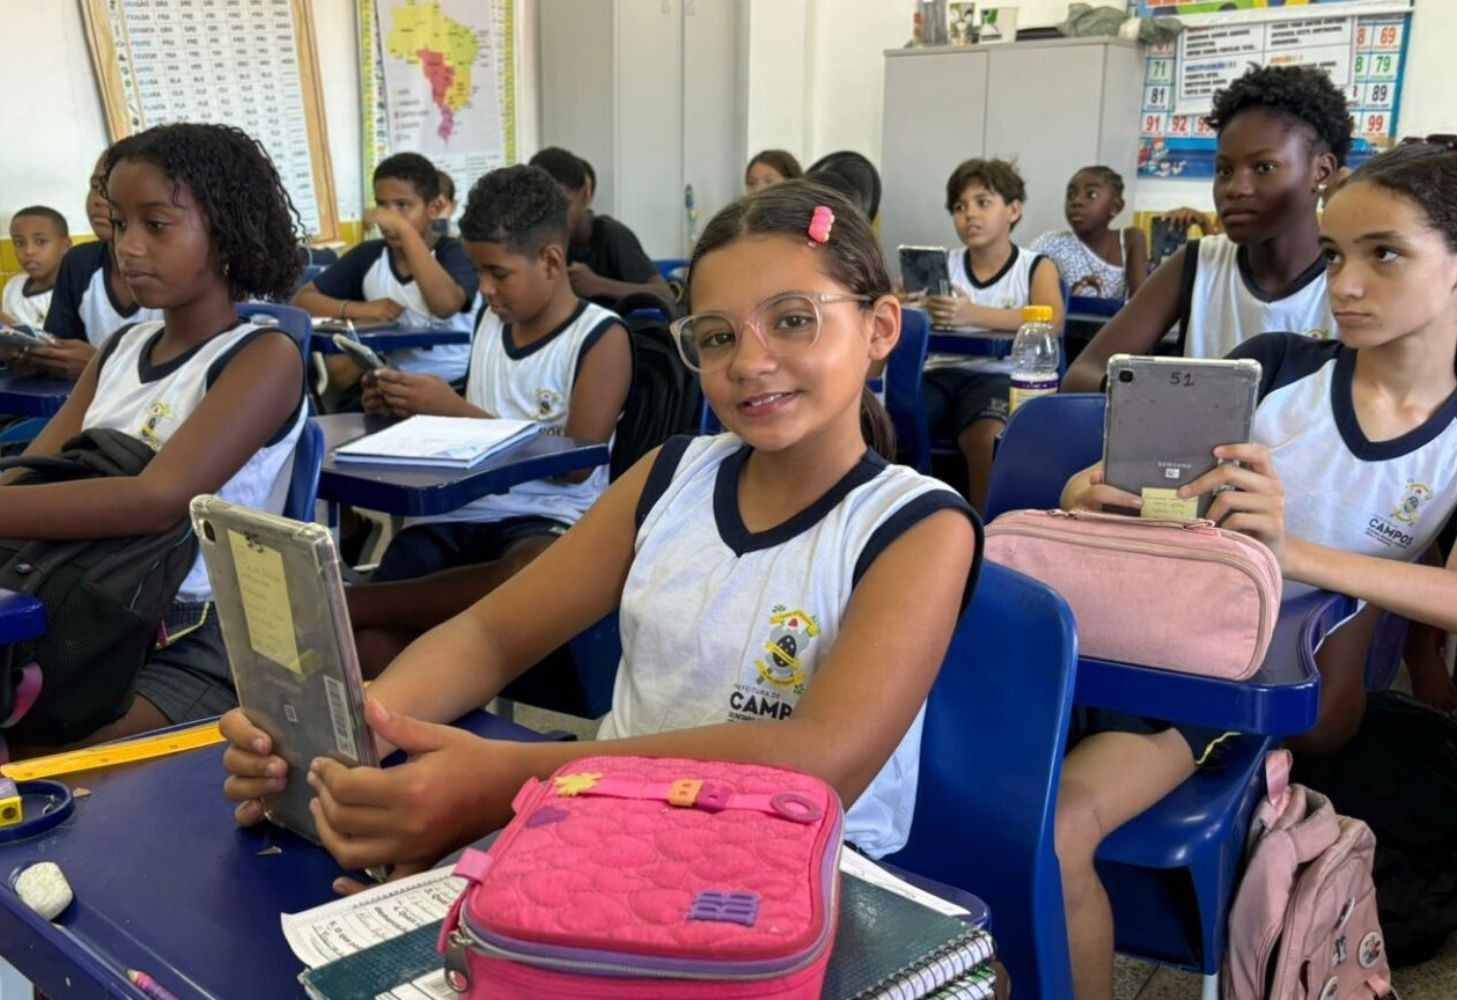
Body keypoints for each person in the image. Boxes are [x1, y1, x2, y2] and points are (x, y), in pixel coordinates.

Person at [219, 181, 981, 889]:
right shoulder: (670, 477)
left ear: (879, 327)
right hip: (604, 829)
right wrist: (354, 737)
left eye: (792, 320)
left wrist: (512, 782)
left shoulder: (917, 527)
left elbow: (820, 763)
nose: (750, 362)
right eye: (717, 336)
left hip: (799, 875)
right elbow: (492, 634)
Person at [1053, 135, 1457, 999]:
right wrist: (1092, 494)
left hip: (1233, 685)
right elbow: (1149, 489)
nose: (1345, 284)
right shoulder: (1278, 366)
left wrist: (1292, 553)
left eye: (1384, 254)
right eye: (1335, 254)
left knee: (1060, 822)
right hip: (1134, 630)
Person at [5, 122, 307, 751]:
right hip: (85, 605)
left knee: (47, 766)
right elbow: (35, 471)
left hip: (200, 634)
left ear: (226, 234)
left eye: (157, 225)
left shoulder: (262, 357)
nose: (128, 247)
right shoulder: (121, 346)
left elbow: (156, 500)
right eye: (119, 224)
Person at [348, 165, 633, 675]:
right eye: (478, 272)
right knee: (370, 649)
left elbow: (576, 464)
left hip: (544, 519)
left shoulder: (600, 337)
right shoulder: (488, 322)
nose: (484, 289)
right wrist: (401, 404)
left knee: (527, 573)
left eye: (498, 274)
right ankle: (367, 618)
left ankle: (355, 602)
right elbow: (473, 418)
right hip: (460, 510)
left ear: (551, 261)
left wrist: (454, 410)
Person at [1063, 64, 1351, 393]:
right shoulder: (1199, 263)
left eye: (1263, 167)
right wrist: (1174, 399)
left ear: (1321, 171)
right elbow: (1082, 374)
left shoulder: (1351, 277)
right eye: (1224, 170)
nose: (1235, 189)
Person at [918, 157, 1064, 507]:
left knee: (986, 437)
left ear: (1013, 210)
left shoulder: (1035, 266)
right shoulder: (943, 264)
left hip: (997, 377)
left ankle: (986, 529)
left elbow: (1053, 320)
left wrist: (971, 313)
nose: (970, 214)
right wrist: (911, 305)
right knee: (888, 422)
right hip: (939, 374)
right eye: (959, 207)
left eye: (982, 202)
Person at [293, 152, 478, 393]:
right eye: (382, 205)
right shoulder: (370, 255)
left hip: (453, 388)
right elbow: (303, 300)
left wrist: (404, 231)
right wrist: (362, 310)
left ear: (433, 209)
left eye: (403, 206)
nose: (387, 218)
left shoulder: (454, 252)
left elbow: (444, 306)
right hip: (392, 387)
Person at [34, 154, 163, 380]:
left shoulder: (179, 273)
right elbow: (59, 346)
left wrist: (101, 362)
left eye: (114, 189)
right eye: (96, 186)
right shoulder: (78, 263)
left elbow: (188, 371)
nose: (99, 200)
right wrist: (38, 359)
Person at [527, 147, 672, 309]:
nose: (553, 218)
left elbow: (665, 294)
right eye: (543, 208)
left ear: (584, 196)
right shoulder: (539, 240)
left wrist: (599, 285)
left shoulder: (613, 236)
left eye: (563, 206)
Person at [1030, 166, 1146, 299]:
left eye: (1092, 195)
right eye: (1071, 195)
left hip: (1124, 314)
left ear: (1115, 207)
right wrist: (1071, 293)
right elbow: (1020, 280)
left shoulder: (1129, 239)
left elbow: (1141, 298)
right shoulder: (1051, 243)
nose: (1076, 201)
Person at [1, 207, 71, 328]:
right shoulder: (13, 285)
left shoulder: (72, 294)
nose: (29, 251)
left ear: (65, 246)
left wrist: (8, 322)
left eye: (40, 241)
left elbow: (57, 339)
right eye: (19, 243)